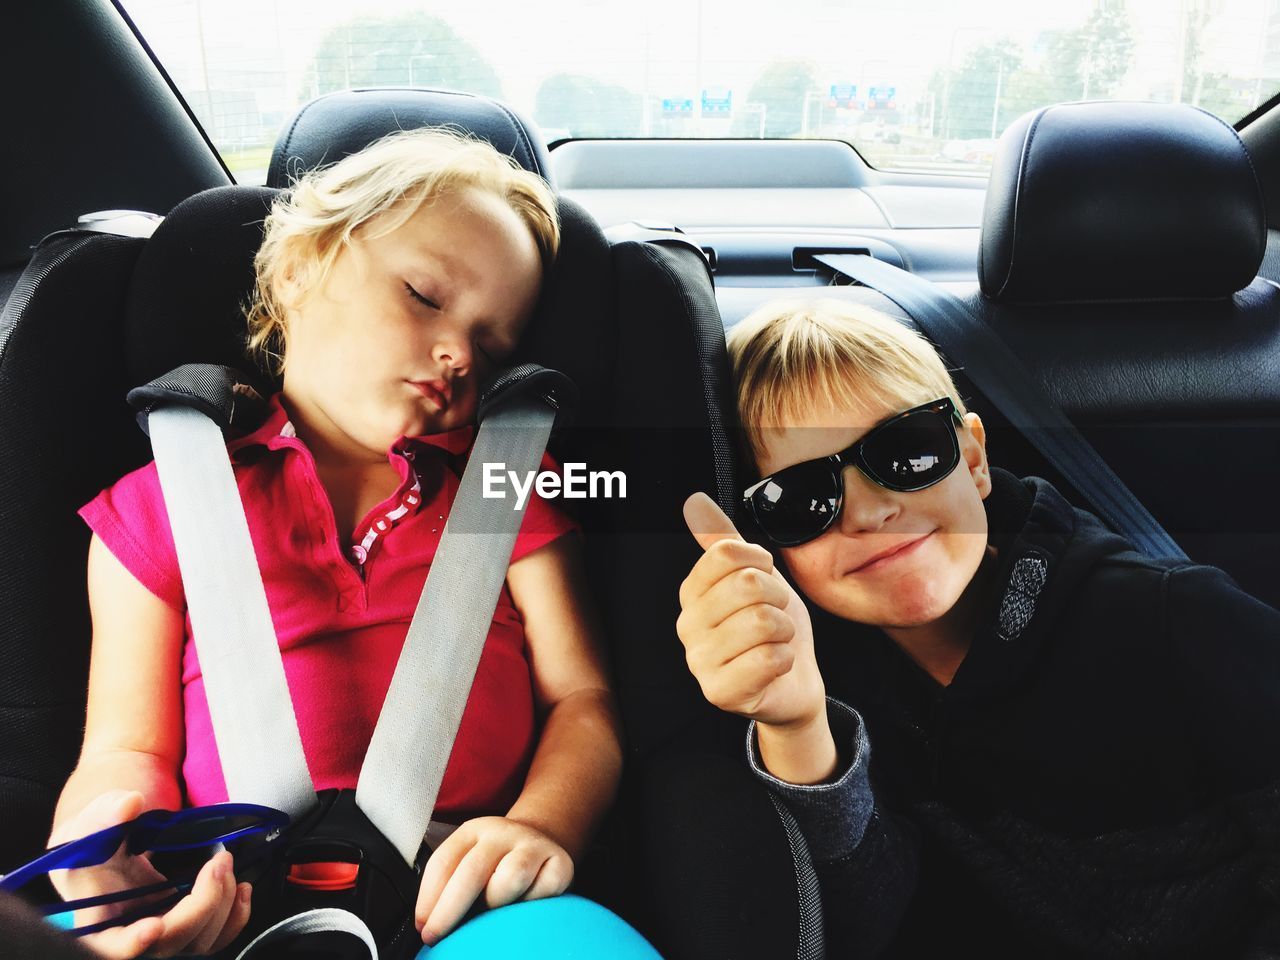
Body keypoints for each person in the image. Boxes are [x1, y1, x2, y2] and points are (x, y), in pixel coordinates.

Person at [49, 128, 628, 959]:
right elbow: (126, 748)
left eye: (493, 344)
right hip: (220, 903)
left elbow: (583, 702)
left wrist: (540, 826)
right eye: (425, 296)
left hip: (464, 895)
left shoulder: (506, 488)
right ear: (299, 268)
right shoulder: (168, 500)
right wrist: (106, 839)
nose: (459, 353)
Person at [675, 298, 1280, 957]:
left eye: (906, 450)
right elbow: (867, 929)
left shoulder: (1176, 621)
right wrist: (800, 729)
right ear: (770, 540)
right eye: (800, 498)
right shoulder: (838, 680)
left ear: (973, 458)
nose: (872, 510)